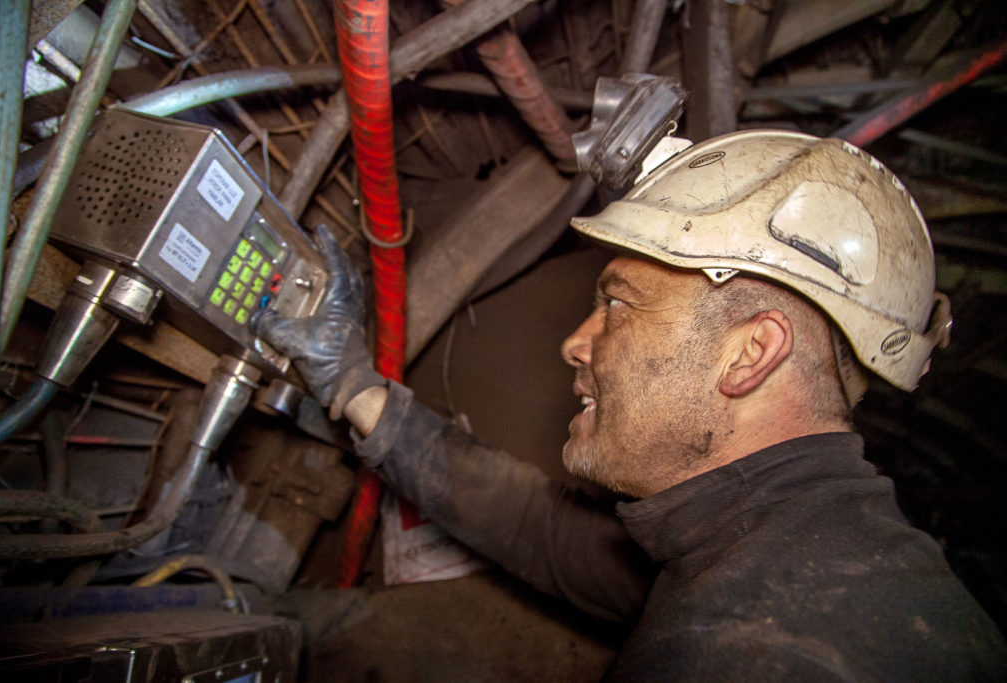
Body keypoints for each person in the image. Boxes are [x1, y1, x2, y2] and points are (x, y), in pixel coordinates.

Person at [252, 130, 1007, 680]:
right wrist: (351, 381)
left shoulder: (744, 654)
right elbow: (542, 530)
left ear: (750, 353)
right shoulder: (792, 541)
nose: (575, 343)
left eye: (617, 303)